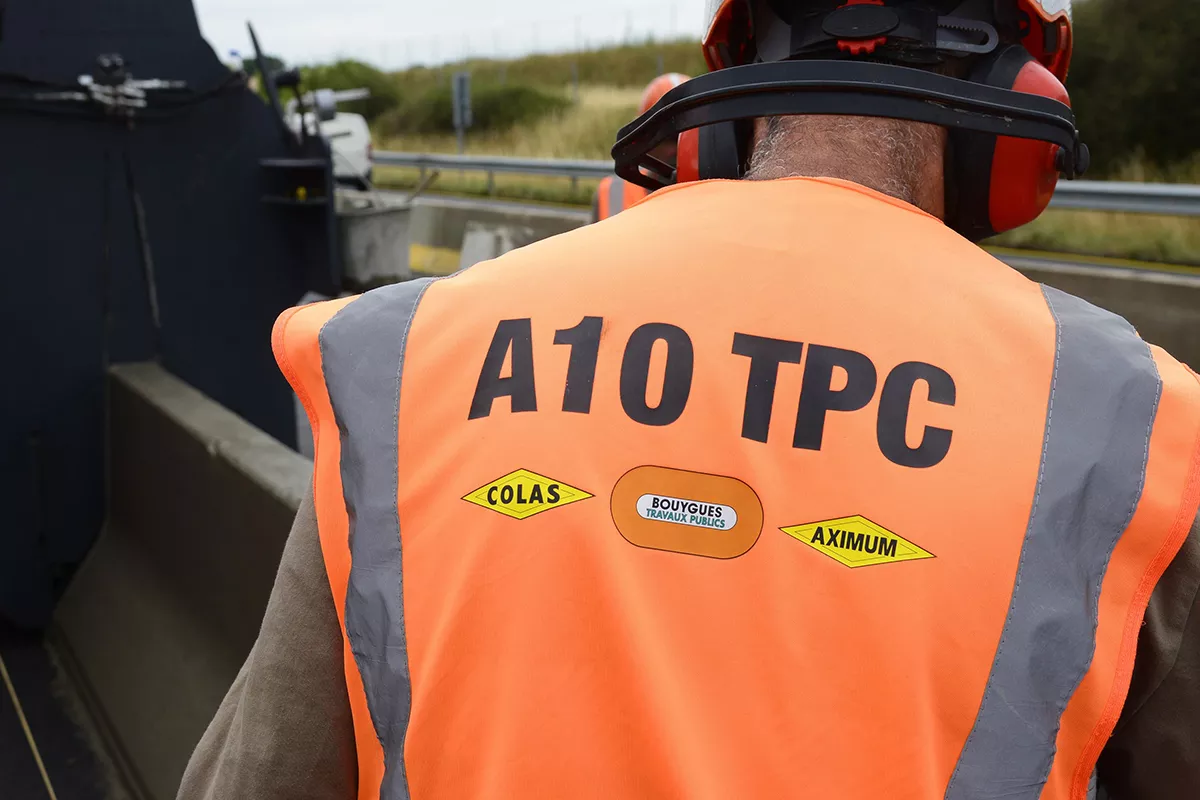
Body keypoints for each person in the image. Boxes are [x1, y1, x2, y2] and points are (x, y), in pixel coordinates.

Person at [181, 2, 1200, 798]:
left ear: (731, 72)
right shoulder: (1132, 426)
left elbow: (265, 774)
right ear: (1016, 121)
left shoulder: (406, 359)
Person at [590, 72, 690, 222]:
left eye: (689, 137)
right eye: (670, 138)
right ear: (644, 139)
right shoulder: (612, 193)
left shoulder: (724, 195)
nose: (679, 148)